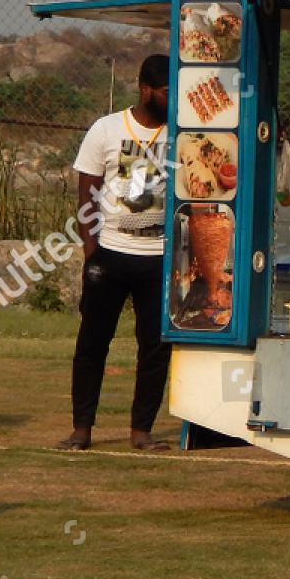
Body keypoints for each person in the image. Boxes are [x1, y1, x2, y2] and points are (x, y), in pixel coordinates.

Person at [56, 55, 175, 452]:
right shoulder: (106, 129)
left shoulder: (183, 133)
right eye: (165, 91)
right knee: (92, 343)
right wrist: (93, 254)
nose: (172, 99)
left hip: (159, 257)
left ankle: (141, 431)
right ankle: (81, 429)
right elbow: (86, 194)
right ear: (145, 90)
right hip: (111, 252)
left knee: (155, 347)